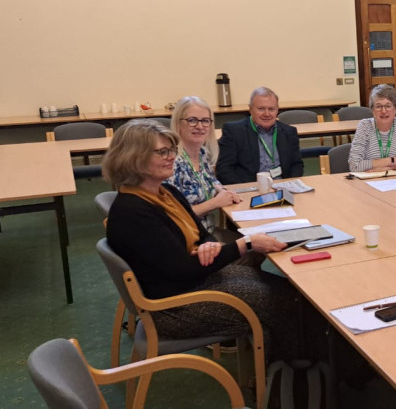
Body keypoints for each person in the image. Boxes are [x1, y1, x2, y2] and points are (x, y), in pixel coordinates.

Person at [103, 120, 305, 362]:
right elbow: (183, 269)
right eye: (162, 152)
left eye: (172, 149)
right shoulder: (133, 212)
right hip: (174, 307)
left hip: (195, 283)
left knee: (291, 292)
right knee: (285, 302)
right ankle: (294, 372)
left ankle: (288, 364)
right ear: (133, 158)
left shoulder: (167, 193)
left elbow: (201, 234)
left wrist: (209, 244)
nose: (172, 157)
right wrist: (247, 244)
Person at [166, 96, 241, 233]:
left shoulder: (202, 153)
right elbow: (174, 217)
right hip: (188, 238)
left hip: (208, 232)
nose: (200, 126)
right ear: (178, 124)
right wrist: (215, 203)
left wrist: (223, 191)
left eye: (205, 121)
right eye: (192, 120)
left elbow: (212, 181)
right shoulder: (171, 162)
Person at [216, 87, 304, 184]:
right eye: (261, 109)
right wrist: (247, 189)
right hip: (250, 187)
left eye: (271, 109)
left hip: (282, 186)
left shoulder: (289, 132)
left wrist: (290, 184)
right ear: (250, 109)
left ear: (277, 110)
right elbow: (224, 170)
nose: (267, 114)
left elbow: (296, 165)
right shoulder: (234, 131)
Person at [348, 84, 396, 172]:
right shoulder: (365, 126)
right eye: (378, 106)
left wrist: (383, 168)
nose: (383, 111)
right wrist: (392, 161)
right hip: (372, 179)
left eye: (388, 106)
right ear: (372, 109)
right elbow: (354, 166)